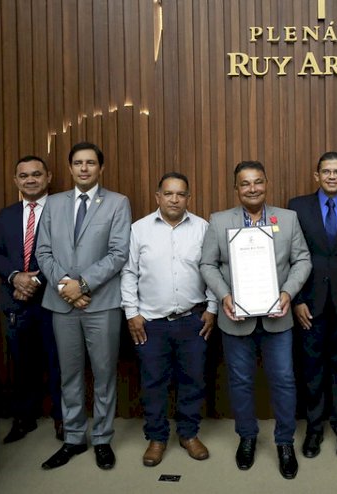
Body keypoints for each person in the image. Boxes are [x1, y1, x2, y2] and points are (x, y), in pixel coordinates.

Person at [200, 161, 311, 479]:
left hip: (278, 316)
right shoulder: (219, 221)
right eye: (245, 184)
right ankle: (247, 437)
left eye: (258, 182)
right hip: (235, 317)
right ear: (236, 189)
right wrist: (223, 295)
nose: (252, 188)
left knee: (284, 381)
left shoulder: (287, 219)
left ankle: (284, 442)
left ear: (267, 184)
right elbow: (207, 264)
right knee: (241, 382)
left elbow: (302, 258)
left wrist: (288, 292)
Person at [36, 141, 131, 471]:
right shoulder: (54, 204)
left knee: (104, 375)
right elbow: (43, 252)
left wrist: (84, 284)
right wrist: (66, 287)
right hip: (62, 304)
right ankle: (74, 437)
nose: (84, 168)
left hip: (101, 304)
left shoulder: (118, 203)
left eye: (91, 163)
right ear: (70, 168)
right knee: (70, 375)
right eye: (78, 163)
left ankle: (103, 438)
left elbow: (118, 253)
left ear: (100, 168)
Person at [120, 172, 217, 467]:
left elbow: (213, 269)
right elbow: (128, 272)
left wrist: (212, 308)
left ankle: (188, 434)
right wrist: (131, 313)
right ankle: (157, 437)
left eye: (181, 194)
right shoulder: (139, 230)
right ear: (158, 196)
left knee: (193, 380)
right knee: (153, 383)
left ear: (189, 197)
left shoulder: (202, 228)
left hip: (192, 320)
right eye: (169, 193)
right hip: (150, 322)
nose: (174, 199)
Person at [287, 151, 337, 461]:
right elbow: (290, 257)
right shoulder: (297, 207)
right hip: (309, 304)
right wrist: (296, 299)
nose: (332, 176)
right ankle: (314, 430)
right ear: (316, 175)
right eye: (326, 171)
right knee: (311, 373)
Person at [0, 155, 63, 444]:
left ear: (48, 176)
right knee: (21, 364)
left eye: (36, 174)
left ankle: (62, 419)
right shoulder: (5, 215)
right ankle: (24, 418)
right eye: (24, 175)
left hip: (53, 301)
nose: (30, 179)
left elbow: (65, 254)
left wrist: (34, 281)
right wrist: (16, 277)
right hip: (16, 303)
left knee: (59, 363)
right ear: (15, 180)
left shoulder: (62, 212)